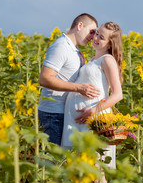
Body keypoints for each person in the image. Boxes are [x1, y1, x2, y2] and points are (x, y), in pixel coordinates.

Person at [61, 22, 123, 183]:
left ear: (110, 44)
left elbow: (118, 94)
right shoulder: (92, 60)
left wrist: (93, 110)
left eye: (101, 37)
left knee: (96, 176)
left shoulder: (107, 60)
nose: (95, 38)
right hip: (81, 124)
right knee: (87, 178)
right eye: (96, 34)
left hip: (94, 123)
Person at [38, 13, 101, 146]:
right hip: (53, 113)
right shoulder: (61, 46)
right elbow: (44, 78)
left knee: (61, 159)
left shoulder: (74, 49)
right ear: (79, 26)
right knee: (53, 159)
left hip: (63, 111)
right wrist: (79, 88)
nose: (93, 37)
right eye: (91, 32)